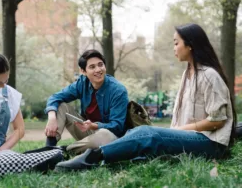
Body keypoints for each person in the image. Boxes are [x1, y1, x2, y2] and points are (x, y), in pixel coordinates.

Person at [55, 23, 237, 171]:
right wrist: (178, 131)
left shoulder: (209, 75)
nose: (174, 47)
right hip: (191, 136)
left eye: (176, 43)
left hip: (209, 143)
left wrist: (181, 130)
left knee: (147, 133)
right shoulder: (188, 74)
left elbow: (217, 121)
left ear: (190, 45)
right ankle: (77, 152)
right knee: (136, 133)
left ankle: (93, 157)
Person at [44, 49, 129, 154]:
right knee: (61, 106)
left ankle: (64, 151)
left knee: (104, 135)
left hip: (109, 135)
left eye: (100, 65)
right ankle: (48, 150)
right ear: (83, 71)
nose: (98, 69)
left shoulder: (118, 90)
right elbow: (55, 97)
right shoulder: (82, 83)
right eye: (92, 67)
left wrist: (95, 125)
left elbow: (117, 126)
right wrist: (52, 118)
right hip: (87, 130)